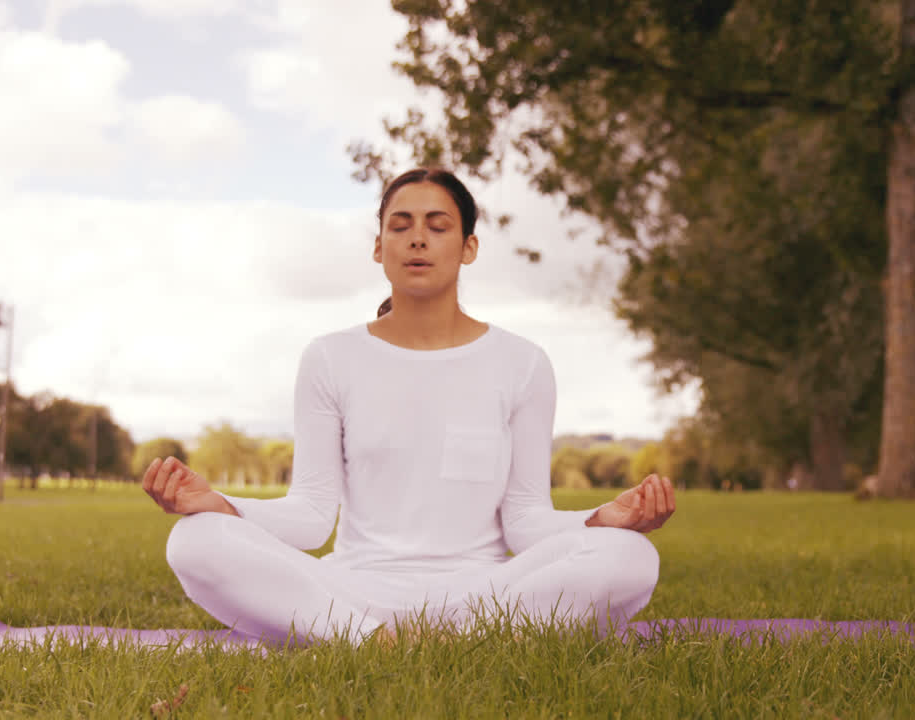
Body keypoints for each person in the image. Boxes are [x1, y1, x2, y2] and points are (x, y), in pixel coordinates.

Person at [143, 168, 676, 644]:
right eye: (400, 226)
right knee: (195, 540)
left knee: (630, 556)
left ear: (468, 247)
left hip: (483, 597)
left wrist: (605, 518)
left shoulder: (523, 363)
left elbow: (525, 522)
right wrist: (215, 503)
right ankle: (368, 639)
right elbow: (308, 517)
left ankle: (454, 637)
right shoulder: (332, 356)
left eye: (438, 226)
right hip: (349, 590)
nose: (417, 237)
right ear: (379, 247)